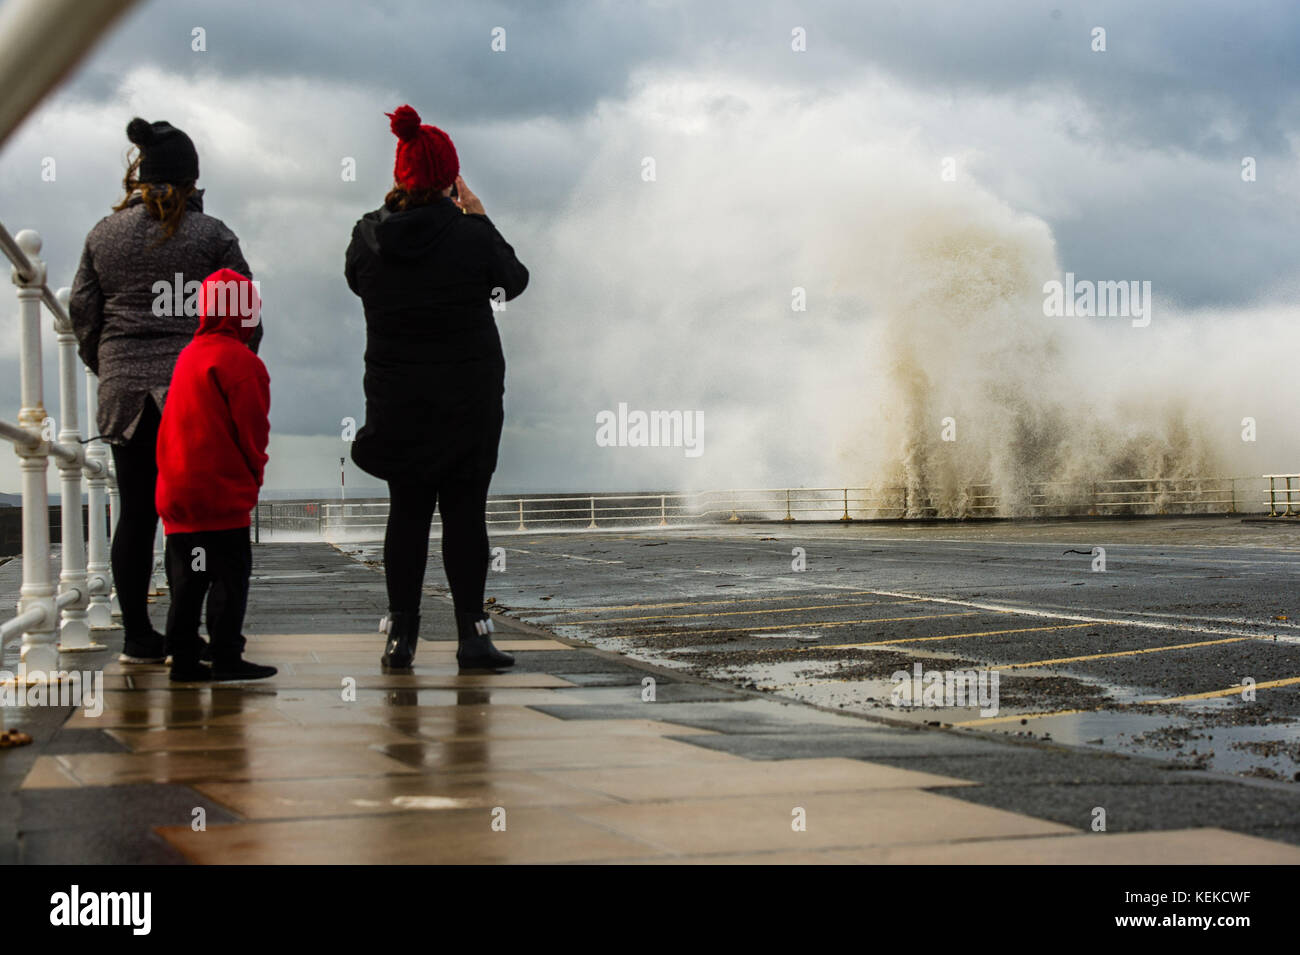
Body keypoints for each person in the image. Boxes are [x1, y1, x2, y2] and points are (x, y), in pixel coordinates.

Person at [70, 117, 261, 664]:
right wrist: (235, 374)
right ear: (192, 180)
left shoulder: (102, 236)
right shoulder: (213, 235)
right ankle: (188, 636)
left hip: (125, 393)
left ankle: (137, 636)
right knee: (194, 515)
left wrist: (106, 363)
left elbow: (84, 313)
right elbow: (244, 313)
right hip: (198, 392)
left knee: (136, 513)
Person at [345, 104, 528, 671]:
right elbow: (514, 281)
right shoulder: (469, 234)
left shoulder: (367, 237)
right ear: (451, 177)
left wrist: (398, 200)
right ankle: (473, 635)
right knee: (465, 514)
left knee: (407, 512)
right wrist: (476, 212)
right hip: (468, 398)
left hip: (397, 398)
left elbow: (357, 279)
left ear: (400, 177)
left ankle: (401, 637)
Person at [155, 268, 275, 683]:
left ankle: (183, 656)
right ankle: (226, 653)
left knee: (188, 579)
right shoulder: (243, 363)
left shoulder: (188, 356)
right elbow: (253, 432)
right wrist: (254, 477)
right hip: (220, 493)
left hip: (177, 492)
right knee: (229, 578)